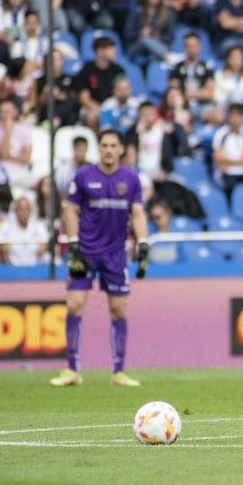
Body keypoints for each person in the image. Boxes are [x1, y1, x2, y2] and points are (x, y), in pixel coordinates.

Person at [52, 129, 149, 388]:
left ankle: (118, 371)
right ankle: (72, 369)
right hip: (85, 251)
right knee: (74, 306)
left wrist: (143, 244)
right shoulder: (83, 176)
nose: (108, 149)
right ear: (99, 148)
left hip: (116, 254)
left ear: (120, 149)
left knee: (118, 310)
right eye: (104, 145)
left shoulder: (131, 179)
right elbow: (70, 210)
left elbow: (137, 214)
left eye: (113, 145)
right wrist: (73, 244)